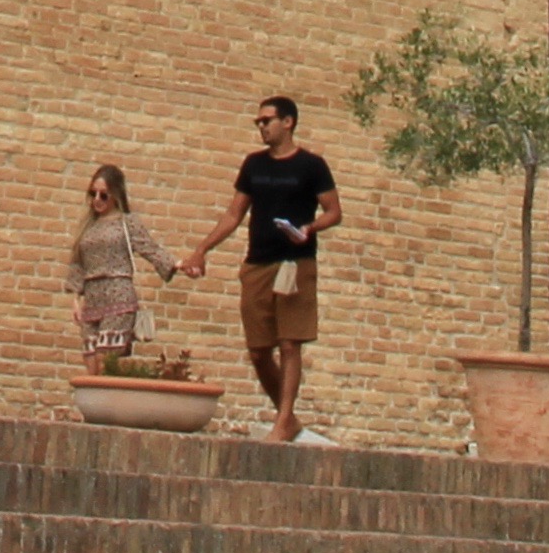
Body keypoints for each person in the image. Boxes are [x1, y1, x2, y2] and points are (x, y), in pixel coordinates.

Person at [177, 92, 342, 441]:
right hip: (258, 263)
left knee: (289, 344)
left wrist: (309, 229)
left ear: (288, 122)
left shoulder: (311, 166)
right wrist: (201, 250)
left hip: (295, 263)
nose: (261, 127)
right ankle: (289, 417)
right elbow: (234, 213)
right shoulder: (254, 165)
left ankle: (282, 421)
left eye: (266, 121)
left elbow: (333, 211)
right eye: (258, 122)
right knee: (258, 350)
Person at [65, 163, 170, 367]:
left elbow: (150, 248)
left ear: (115, 195)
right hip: (92, 300)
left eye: (103, 195)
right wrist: (76, 299)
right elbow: (78, 263)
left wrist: (176, 264)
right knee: (90, 363)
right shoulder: (87, 226)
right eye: (92, 194)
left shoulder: (126, 222)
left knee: (104, 361)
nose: (97, 200)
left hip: (118, 296)